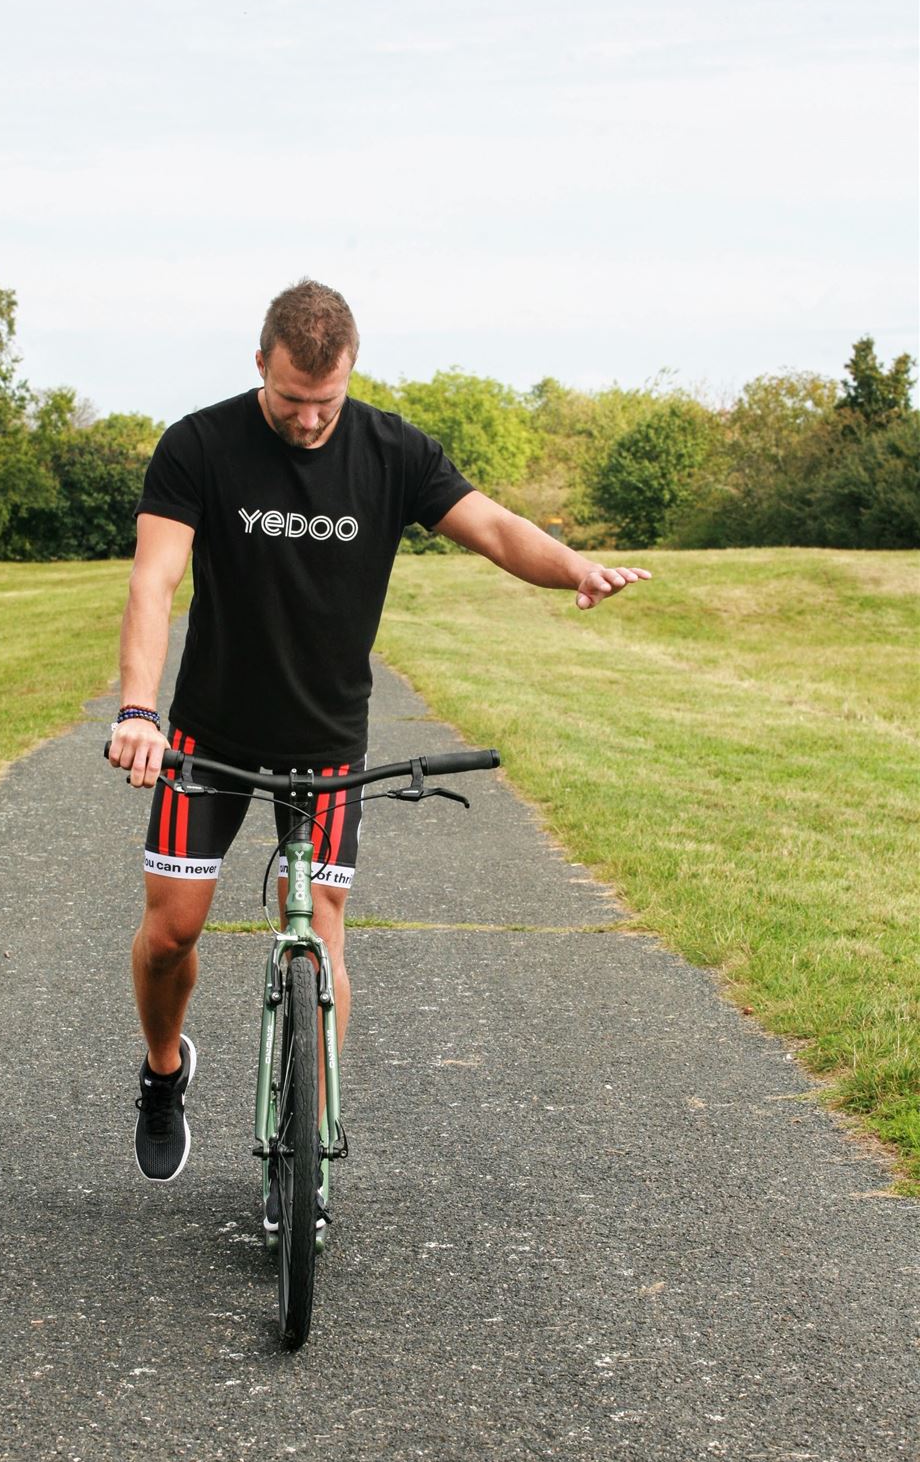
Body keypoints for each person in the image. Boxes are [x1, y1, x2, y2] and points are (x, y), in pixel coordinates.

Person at [107, 279, 650, 1183]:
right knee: (172, 933)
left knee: (320, 927)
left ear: (350, 374)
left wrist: (574, 569)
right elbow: (153, 581)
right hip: (210, 738)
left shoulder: (392, 450)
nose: (312, 419)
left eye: (328, 401)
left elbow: (494, 529)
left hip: (326, 745)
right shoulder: (199, 445)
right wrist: (137, 710)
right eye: (291, 400)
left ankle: (312, 1135)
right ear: (260, 368)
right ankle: (164, 1070)